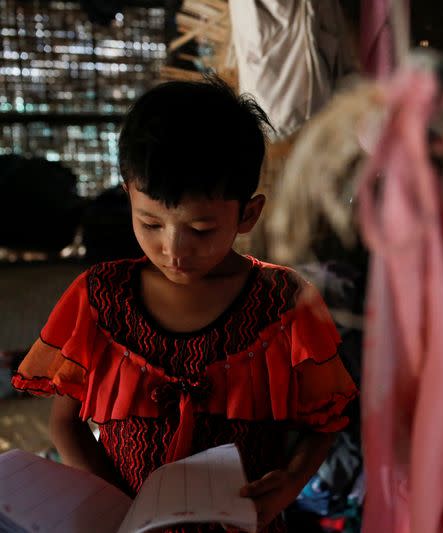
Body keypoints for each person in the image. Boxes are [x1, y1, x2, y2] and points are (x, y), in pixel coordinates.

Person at [11, 78, 358, 533]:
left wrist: (291, 482)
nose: (173, 249)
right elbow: (67, 424)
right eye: (150, 222)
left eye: (201, 229)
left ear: (248, 214)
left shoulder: (284, 302)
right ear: (128, 195)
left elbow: (327, 419)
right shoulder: (99, 297)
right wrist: (115, 507)